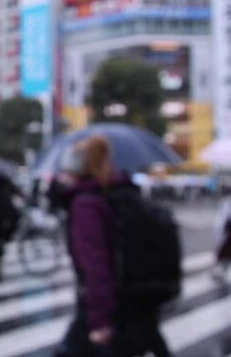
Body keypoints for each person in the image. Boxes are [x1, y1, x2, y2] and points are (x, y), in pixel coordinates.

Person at [56, 136, 171, 357]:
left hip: (106, 305)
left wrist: (100, 320)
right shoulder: (123, 191)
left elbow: (96, 265)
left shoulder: (86, 204)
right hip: (137, 298)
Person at [212, 195, 231, 283]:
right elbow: (223, 218)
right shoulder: (227, 202)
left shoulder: (227, 202)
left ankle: (220, 271)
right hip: (228, 233)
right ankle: (220, 271)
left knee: (224, 253)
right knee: (224, 253)